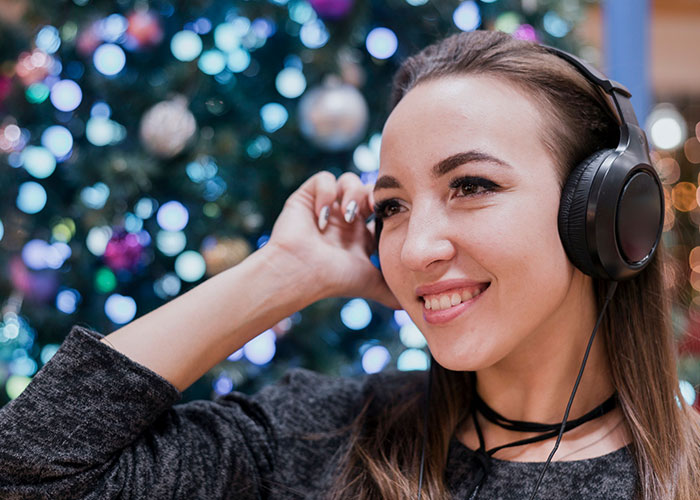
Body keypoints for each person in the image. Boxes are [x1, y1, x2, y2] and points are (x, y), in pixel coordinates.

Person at [0, 29, 698, 500]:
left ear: (605, 213)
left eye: (472, 186)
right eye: (392, 207)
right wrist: (283, 272)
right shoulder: (324, 434)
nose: (417, 248)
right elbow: (33, 471)